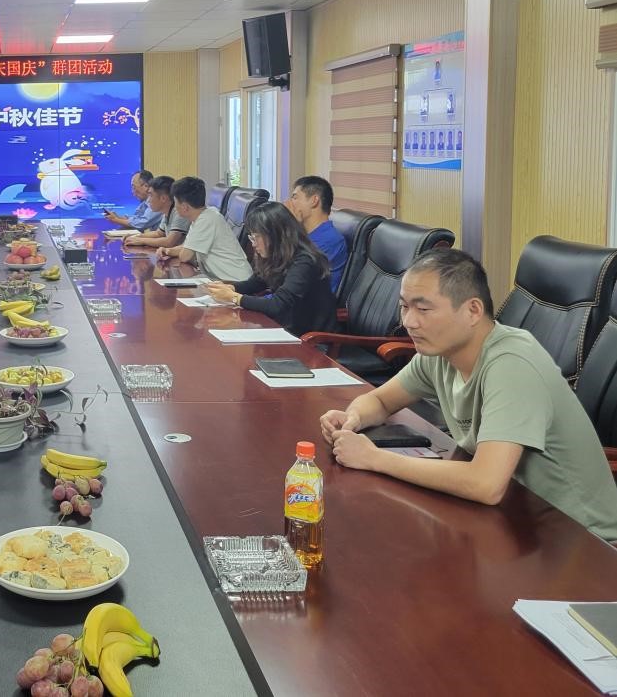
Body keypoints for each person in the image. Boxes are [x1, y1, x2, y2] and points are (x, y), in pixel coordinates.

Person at [320, 248, 617, 541]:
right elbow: (381, 400)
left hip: (582, 541)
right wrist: (353, 418)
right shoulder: (439, 354)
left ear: (473, 310)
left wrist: (375, 458)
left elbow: (485, 484)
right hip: (515, 520)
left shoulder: (512, 364)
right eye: (404, 306)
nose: (409, 321)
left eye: (423, 309)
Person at [204, 201, 336, 336]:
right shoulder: (277, 254)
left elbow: (278, 305)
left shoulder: (305, 261)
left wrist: (234, 298)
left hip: (307, 338)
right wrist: (231, 288)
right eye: (251, 237)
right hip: (283, 328)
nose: (253, 244)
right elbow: (255, 283)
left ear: (275, 235)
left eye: (256, 237)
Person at [156, 176, 253, 282]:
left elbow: (185, 256)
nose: (175, 207)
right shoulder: (202, 217)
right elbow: (188, 247)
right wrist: (168, 251)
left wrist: (173, 251)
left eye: (175, 203)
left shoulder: (206, 220)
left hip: (236, 282)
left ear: (185, 207)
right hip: (222, 279)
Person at [285, 175, 348, 292]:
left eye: (295, 197)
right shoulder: (303, 235)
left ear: (314, 201)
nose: (289, 203)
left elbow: (294, 285)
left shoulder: (329, 240)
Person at [122, 176, 188, 250]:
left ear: (163, 198)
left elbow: (169, 242)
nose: (148, 200)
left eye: (151, 195)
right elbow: (159, 233)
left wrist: (141, 241)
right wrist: (135, 236)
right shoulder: (167, 211)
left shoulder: (178, 212)